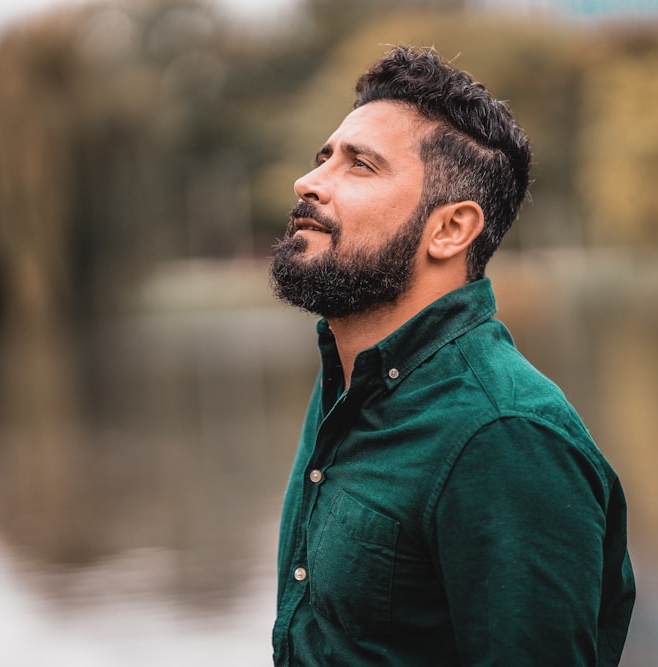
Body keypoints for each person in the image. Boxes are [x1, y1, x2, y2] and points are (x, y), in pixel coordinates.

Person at [269, 45, 635, 666]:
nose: (310, 182)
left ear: (450, 230)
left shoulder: (504, 436)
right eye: (323, 157)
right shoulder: (351, 381)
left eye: (360, 166)